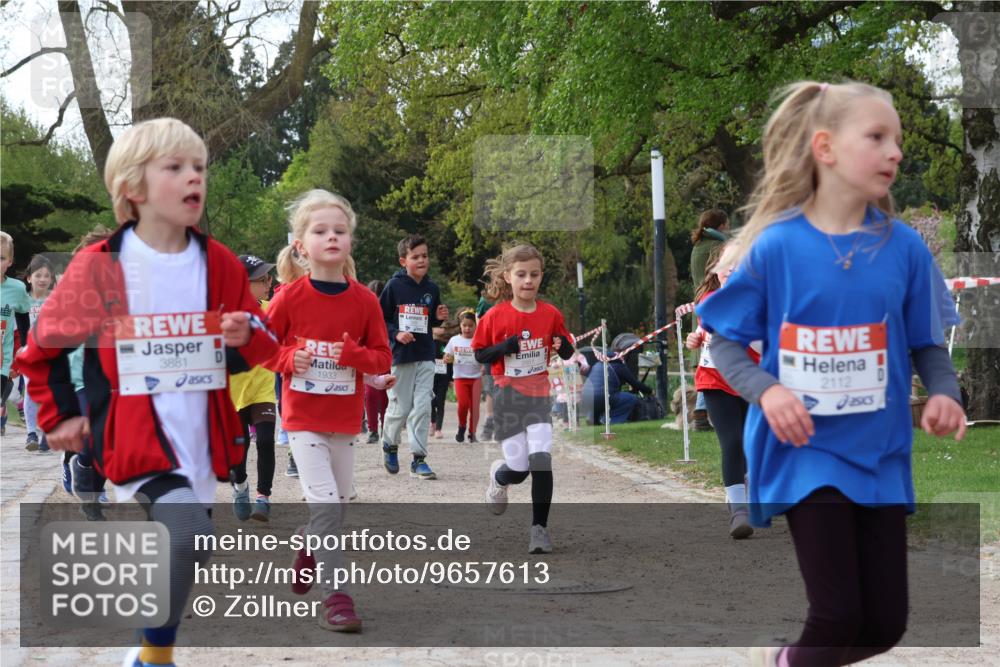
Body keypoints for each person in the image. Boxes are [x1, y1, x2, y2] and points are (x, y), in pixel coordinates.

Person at [695, 81, 966, 667]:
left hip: (881, 451)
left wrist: (945, 393)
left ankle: (784, 662)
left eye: (897, 139)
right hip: (804, 451)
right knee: (837, 616)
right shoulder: (776, 247)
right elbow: (726, 347)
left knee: (884, 625)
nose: (895, 151)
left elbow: (928, 345)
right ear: (825, 148)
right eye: (876, 137)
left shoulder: (905, 250)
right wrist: (767, 392)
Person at [18, 117, 278, 667]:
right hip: (133, 436)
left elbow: (260, 347)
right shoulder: (100, 266)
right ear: (133, 189)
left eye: (200, 168)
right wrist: (60, 415)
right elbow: (41, 350)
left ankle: (147, 651)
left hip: (204, 439)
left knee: (195, 544)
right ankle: (154, 658)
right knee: (184, 535)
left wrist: (244, 334)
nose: (194, 178)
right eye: (176, 167)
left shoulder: (221, 263)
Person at [264, 189, 392, 633]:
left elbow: (381, 358)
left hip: (343, 422)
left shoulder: (364, 302)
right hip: (302, 419)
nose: (332, 237)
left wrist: (354, 356)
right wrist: (286, 360)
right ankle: (336, 597)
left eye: (340, 230)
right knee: (326, 506)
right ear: (301, 245)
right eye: (321, 231)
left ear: (350, 241)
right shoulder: (289, 298)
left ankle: (306, 544)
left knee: (336, 508)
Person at [473, 244, 574, 554]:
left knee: (541, 461)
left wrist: (561, 345)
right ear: (508, 277)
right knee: (519, 469)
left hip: (539, 397)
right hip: (507, 396)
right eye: (521, 275)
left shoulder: (550, 313)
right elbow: (480, 354)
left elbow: (568, 351)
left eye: (534, 274)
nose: (528, 281)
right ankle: (498, 477)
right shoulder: (494, 316)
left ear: (541, 276)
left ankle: (539, 530)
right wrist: (505, 347)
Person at [686, 242, 757, 539]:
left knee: (753, 446)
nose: (731, 269)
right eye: (727, 262)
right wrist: (696, 337)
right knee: (732, 441)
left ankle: (743, 488)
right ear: (716, 269)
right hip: (714, 379)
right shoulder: (709, 300)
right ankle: (738, 512)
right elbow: (705, 330)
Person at [378, 234, 449, 479]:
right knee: (400, 407)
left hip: (426, 354)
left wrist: (439, 316)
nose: (421, 260)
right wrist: (396, 333)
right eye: (415, 256)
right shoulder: (394, 286)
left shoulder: (432, 288)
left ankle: (419, 459)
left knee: (422, 406)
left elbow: (431, 319)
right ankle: (390, 444)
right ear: (403, 261)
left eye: (425, 256)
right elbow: (380, 320)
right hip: (401, 356)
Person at [228, 254, 279, 522]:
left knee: (267, 441)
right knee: (239, 450)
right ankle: (240, 487)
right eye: (262, 279)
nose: (269, 282)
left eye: (269, 277)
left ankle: (263, 497)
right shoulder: (224, 314)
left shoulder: (272, 308)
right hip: (233, 395)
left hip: (263, 389)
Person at [690, 209, 730, 432]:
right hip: (714, 304)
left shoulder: (698, 246)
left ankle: (701, 411)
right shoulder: (716, 246)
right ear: (721, 224)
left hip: (703, 302)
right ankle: (701, 412)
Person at [274, 245, 307, 477]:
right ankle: (295, 456)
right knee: (291, 409)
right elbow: (265, 345)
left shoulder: (321, 293)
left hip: (322, 365)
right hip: (291, 369)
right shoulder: (281, 297)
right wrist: (289, 357)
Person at [21, 254, 55, 451]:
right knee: (31, 389)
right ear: (29, 277)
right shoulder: (23, 300)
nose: (42, 279)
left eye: (46, 276)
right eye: (38, 275)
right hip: (28, 352)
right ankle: (31, 433)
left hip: (51, 354)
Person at [582, 334, 653, 425]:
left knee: (601, 398)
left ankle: (592, 418)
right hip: (602, 397)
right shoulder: (618, 366)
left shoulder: (598, 364)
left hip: (586, 397)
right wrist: (650, 391)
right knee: (631, 398)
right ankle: (610, 420)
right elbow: (635, 384)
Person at [0, 231, 31, 439]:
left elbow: (22, 318)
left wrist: (26, 345)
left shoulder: (17, 289)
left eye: (1, 258)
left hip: (3, 360)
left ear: (9, 261)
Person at [444, 310, 483, 442]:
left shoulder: (479, 340)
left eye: (470, 325)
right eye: (464, 325)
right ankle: (462, 426)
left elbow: (485, 356)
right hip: (460, 377)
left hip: (476, 377)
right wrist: (448, 358)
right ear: (460, 325)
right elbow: (446, 356)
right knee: (463, 404)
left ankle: (472, 433)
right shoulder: (454, 340)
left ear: (475, 326)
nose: (467, 328)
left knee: (474, 408)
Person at [364, 279, 390, 444]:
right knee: (370, 394)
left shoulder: (388, 315)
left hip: (386, 355)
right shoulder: (364, 312)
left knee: (385, 394)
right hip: (369, 356)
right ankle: (372, 429)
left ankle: (385, 427)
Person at [475, 291, 496, 439]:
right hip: (491, 348)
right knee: (491, 387)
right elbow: (478, 318)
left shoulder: (516, 296)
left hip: (512, 348)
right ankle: (490, 421)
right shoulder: (486, 300)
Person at [430, 324, 453, 439]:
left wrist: (450, 379)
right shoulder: (427, 343)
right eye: (438, 326)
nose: (441, 329)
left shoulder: (446, 345)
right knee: (430, 401)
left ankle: (439, 429)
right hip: (429, 377)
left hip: (443, 377)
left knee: (440, 402)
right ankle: (432, 423)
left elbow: (449, 362)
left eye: (443, 327)